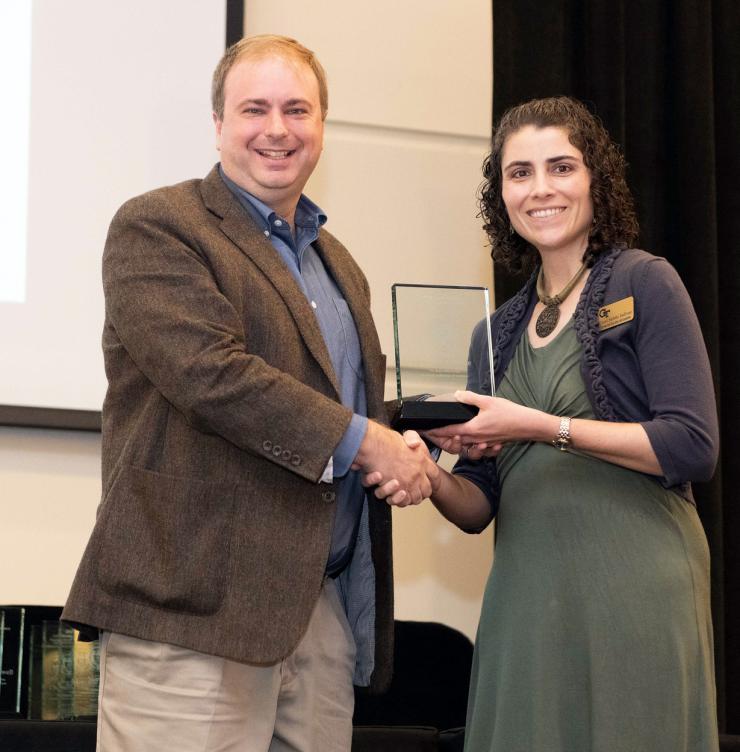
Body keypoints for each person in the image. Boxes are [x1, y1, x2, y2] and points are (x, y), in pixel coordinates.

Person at [62, 34, 435, 752]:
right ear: (219, 124)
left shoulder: (339, 265)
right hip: (194, 609)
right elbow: (212, 375)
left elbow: (335, 406)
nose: (276, 129)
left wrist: (408, 436)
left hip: (318, 613)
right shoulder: (160, 226)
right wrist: (369, 443)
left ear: (323, 125)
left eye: (297, 109)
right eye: (254, 108)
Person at [366, 96, 720, 751]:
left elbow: (692, 446)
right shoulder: (493, 333)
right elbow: (478, 505)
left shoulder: (645, 283)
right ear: (500, 194)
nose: (541, 189)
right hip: (527, 596)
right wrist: (427, 471)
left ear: (597, 180)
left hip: (636, 584)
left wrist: (538, 425)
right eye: (519, 173)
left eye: (561, 167)